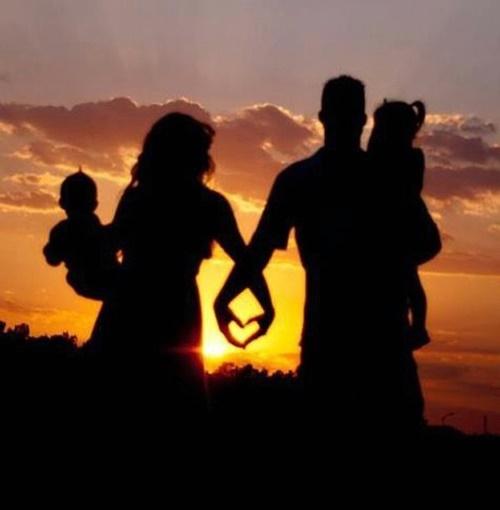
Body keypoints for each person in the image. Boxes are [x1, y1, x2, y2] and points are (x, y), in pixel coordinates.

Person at [215, 76, 438, 433]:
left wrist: (227, 296)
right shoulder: (378, 178)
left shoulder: (303, 179)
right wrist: (226, 296)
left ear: (321, 116)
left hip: (350, 338)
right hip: (367, 338)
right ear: (363, 120)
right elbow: (428, 244)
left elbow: (259, 249)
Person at [86, 112, 273, 416]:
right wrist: (264, 303)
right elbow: (247, 261)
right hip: (177, 310)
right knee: (176, 407)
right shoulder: (210, 205)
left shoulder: (137, 199)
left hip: (126, 309)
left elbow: (108, 248)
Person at [368, 100, 440, 351]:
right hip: (406, 230)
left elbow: (403, 192)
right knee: (407, 275)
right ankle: (417, 328)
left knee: (407, 275)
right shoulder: (395, 157)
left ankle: (418, 327)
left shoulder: (407, 158)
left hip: (410, 230)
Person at [43, 168, 119, 300]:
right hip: (99, 278)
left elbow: (53, 260)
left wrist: (50, 250)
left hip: (88, 280)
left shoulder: (61, 230)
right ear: (95, 204)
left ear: (62, 203)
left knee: (72, 277)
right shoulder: (95, 228)